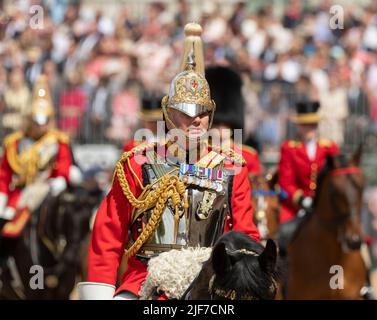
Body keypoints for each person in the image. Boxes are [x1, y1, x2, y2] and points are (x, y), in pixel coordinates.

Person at [80, 23, 260, 300]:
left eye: (202, 112)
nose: (195, 119)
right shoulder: (138, 163)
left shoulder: (231, 167)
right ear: (168, 114)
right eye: (186, 112)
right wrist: (100, 292)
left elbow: (245, 234)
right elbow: (109, 233)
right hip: (146, 282)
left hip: (213, 285)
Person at [0, 75, 74, 236]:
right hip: (18, 195)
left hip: (45, 192)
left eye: (45, 120)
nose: (41, 125)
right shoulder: (14, 143)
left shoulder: (59, 141)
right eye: (37, 120)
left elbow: (63, 166)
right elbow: (4, 173)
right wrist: (2, 196)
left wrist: (60, 179)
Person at [278, 101, 339, 224]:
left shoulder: (329, 147)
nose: (309, 128)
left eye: (313, 124)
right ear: (299, 126)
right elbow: (286, 180)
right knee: (284, 233)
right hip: (297, 206)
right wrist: (300, 199)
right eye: (305, 124)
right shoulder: (289, 148)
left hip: (324, 203)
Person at [205, 65, 262, 181]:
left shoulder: (248, 156)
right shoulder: (198, 152)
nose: (221, 128)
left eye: (226, 123)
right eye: (217, 123)